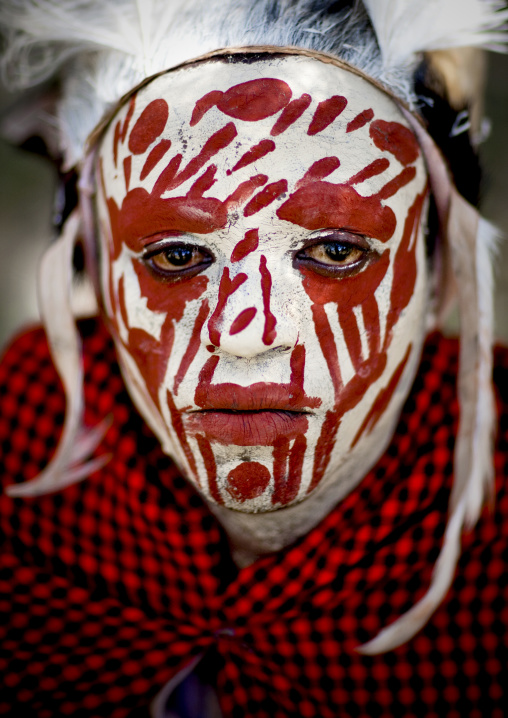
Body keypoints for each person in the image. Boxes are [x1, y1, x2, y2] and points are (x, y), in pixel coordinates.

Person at [1, 1, 508, 716]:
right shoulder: (17, 448)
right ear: (99, 275)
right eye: (176, 256)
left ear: (439, 283)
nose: (245, 333)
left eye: (336, 251)